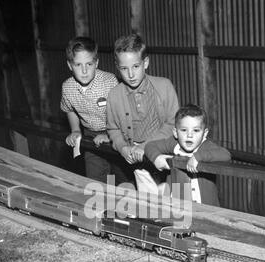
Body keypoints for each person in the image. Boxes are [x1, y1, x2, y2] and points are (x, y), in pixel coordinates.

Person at [106, 34, 179, 193]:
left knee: (167, 208)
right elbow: (113, 129)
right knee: (136, 209)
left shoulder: (164, 86)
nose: (131, 75)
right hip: (131, 163)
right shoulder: (113, 95)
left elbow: (173, 124)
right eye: (124, 68)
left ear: (145, 63)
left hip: (161, 158)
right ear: (117, 67)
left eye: (136, 66)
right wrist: (123, 148)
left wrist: (146, 146)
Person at [61, 36, 122, 183]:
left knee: (122, 179)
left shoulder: (109, 81)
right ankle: (100, 204)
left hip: (118, 131)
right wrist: (75, 130)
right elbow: (69, 109)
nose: (84, 71)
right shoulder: (67, 87)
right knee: (95, 181)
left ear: (96, 63)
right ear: (70, 65)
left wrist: (112, 136)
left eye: (89, 64)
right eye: (78, 65)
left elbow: (122, 112)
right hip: (90, 135)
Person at [144, 104, 231, 206]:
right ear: (176, 133)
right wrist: (156, 158)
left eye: (196, 130)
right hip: (178, 206)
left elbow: (226, 155)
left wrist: (198, 157)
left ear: (205, 133)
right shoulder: (174, 143)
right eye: (184, 130)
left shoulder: (206, 146)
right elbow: (150, 146)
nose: (190, 135)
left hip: (205, 207)